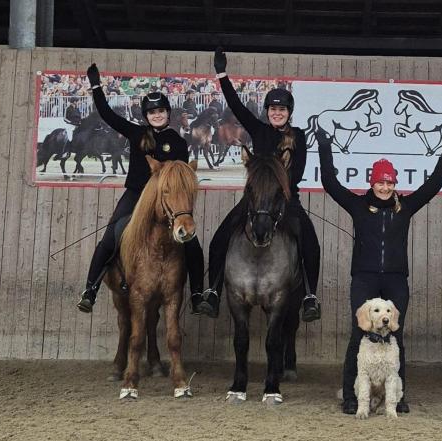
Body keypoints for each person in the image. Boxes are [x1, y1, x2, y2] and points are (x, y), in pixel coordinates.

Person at [315, 128, 442, 415]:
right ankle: (352, 397)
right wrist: (325, 146)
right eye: (380, 182)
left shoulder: (405, 207)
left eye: (389, 182)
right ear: (372, 182)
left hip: (395, 280)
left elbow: (432, 186)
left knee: (396, 336)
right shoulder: (358, 205)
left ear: (394, 184)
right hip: (364, 278)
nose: (384, 187)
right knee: (359, 334)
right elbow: (330, 183)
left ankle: (398, 396)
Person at [197, 48, 321, 322]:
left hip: (286, 200)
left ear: (289, 112)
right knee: (220, 237)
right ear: (267, 112)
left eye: (282, 109)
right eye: (273, 109)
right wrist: (222, 74)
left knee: (309, 241)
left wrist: (277, 185)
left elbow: (297, 173)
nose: (277, 113)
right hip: (254, 201)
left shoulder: (299, 136)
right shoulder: (259, 130)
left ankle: (309, 296)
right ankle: (214, 290)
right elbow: (237, 106)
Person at [76, 64, 205, 314]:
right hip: (136, 194)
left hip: (164, 201)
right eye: (152, 112)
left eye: (160, 111)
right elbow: (107, 114)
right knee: (109, 238)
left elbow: (177, 177)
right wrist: (95, 86)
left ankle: (199, 295)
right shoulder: (135, 133)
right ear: (146, 115)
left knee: (192, 243)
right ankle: (90, 289)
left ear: (168, 113)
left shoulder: (178, 142)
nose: (156, 115)